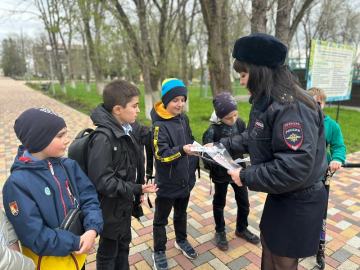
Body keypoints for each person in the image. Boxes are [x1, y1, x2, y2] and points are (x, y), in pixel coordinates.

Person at [206, 33, 328, 270]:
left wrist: (244, 176)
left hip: (298, 200)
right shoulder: (269, 101)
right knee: (268, 247)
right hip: (281, 195)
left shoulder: (292, 106)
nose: (241, 82)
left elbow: (293, 167)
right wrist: (219, 146)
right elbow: (254, 137)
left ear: (260, 70)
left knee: (283, 260)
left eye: (243, 74)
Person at [3, 108, 104, 270]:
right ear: (39, 140)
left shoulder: (69, 166)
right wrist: (76, 242)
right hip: (48, 264)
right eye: (60, 135)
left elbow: (89, 197)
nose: (67, 140)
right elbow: (33, 234)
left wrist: (92, 229)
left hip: (77, 258)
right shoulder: (17, 184)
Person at [87, 79, 158, 270]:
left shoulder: (128, 128)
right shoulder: (104, 139)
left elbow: (148, 135)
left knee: (124, 245)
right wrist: (136, 188)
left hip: (124, 203)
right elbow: (103, 181)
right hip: (110, 208)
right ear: (118, 109)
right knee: (108, 252)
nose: (138, 111)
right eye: (134, 106)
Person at [151, 78, 199, 270]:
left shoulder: (184, 118)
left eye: (182, 99)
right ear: (166, 101)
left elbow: (190, 139)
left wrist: (199, 148)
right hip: (168, 183)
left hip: (185, 180)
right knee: (160, 220)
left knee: (181, 214)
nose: (180, 104)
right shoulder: (158, 125)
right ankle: (159, 250)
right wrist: (182, 150)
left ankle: (181, 240)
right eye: (175, 100)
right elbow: (160, 155)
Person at [202, 92, 260, 251]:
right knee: (219, 202)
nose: (233, 120)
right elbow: (205, 155)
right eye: (228, 118)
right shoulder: (213, 131)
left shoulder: (240, 124)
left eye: (235, 115)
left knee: (244, 202)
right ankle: (220, 231)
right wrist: (216, 164)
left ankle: (241, 228)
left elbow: (247, 143)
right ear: (220, 116)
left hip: (239, 172)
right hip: (221, 175)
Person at [306, 87, 346, 265]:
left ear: (323, 104)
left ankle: (320, 248)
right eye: (310, 102)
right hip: (301, 177)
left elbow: (338, 146)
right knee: (302, 212)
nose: (314, 106)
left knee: (320, 214)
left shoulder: (331, 125)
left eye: (318, 103)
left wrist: (337, 159)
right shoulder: (299, 121)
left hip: (321, 178)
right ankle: (304, 241)